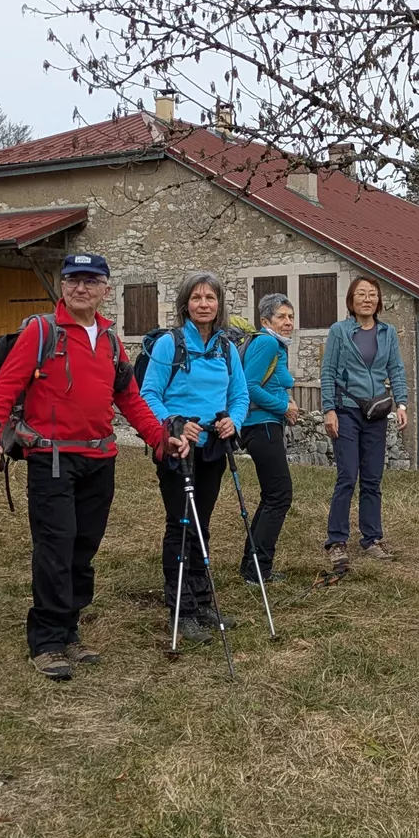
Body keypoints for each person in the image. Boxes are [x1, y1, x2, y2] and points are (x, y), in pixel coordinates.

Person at [0, 252, 176, 681]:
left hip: (100, 459)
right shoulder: (42, 332)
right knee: (55, 547)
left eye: (90, 280)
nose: (80, 287)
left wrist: (158, 438)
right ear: (62, 285)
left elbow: (130, 398)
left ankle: (69, 629)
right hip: (51, 458)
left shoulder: (111, 341)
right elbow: (6, 387)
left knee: (83, 548)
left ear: (105, 289)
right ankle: (47, 641)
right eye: (72, 280)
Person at [139, 272, 252, 644]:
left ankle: (202, 602)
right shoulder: (169, 345)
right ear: (185, 304)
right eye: (197, 298)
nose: (204, 304)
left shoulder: (226, 348)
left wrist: (233, 421)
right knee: (181, 524)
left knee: (201, 523)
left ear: (219, 304)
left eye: (210, 298)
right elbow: (149, 394)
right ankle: (181, 608)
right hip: (178, 449)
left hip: (213, 449)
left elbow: (239, 395)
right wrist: (174, 425)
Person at [317, 276, 409, 582]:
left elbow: (396, 369)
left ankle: (372, 539)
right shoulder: (339, 331)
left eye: (372, 294)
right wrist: (329, 409)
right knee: (347, 476)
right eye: (361, 294)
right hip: (346, 410)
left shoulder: (388, 332)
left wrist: (402, 403)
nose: (367, 299)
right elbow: (328, 371)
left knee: (372, 478)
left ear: (379, 300)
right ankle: (337, 541)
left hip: (376, 412)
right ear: (351, 300)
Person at [237, 292, 299, 586]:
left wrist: (285, 402)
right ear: (265, 321)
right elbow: (249, 387)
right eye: (281, 317)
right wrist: (283, 407)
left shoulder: (274, 344)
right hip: (260, 426)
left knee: (272, 495)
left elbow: (270, 383)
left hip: (264, 425)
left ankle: (252, 565)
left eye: (291, 316)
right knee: (280, 495)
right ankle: (258, 570)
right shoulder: (267, 343)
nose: (288, 322)